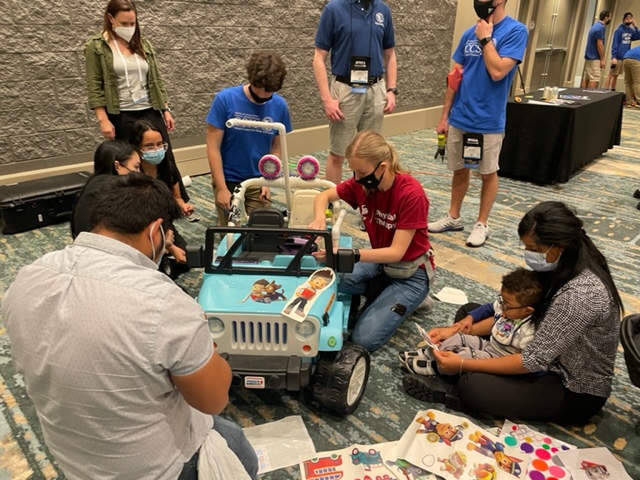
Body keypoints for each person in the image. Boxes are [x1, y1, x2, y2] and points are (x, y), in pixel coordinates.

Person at [2, 174, 258, 479]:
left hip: (72, 457)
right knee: (236, 443)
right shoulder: (165, 303)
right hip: (152, 469)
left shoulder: (27, 276)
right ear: (154, 231)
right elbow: (213, 400)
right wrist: (211, 351)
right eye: (169, 234)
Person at [403, 201, 624, 424]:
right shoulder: (564, 263)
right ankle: (457, 369)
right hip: (533, 343)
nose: (528, 255)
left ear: (560, 245)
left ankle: (455, 384)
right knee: (469, 312)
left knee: (474, 386)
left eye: (534, 250)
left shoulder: (579, 294)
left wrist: (463, 364)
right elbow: (512, 314)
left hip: (567, 384)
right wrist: (454, 331)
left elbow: (533, 361)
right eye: (526, 247)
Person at [308, 130, 434, 352]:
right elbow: (323, 195)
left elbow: (396, 252)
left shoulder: (411, 194)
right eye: (354, 171)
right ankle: (382, 291)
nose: (356, 178)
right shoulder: (364, 184)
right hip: (381, 263)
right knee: (329, 278)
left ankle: (415, 298)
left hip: (410, 273)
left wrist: (349, 254)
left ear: (383, 167)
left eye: (361, 172)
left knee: (363, 340)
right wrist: (319, 218)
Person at [428, 0, 528, 248]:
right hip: (461, 116)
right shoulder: (467, 34)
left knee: (487, 173)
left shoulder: (516, 31)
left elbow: (497, 72)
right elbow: (455, 78)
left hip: (489, 119)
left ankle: (482, 223)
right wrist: (444, 117)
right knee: (460, 169)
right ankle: (453, 217)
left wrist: (486, 40)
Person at [84, 0, 190, 203]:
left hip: (150, 109)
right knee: (131, 161)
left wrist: (165, 109)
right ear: (111, 19)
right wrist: (102, 119)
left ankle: (174, 201)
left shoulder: (143, 43)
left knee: (164, 157)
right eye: (124, 23)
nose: (129, 28)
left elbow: (156, 79)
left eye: (133, 23)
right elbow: (94, 84)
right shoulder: (96, 47)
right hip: (121, 113)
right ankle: (138, 203)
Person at [313, 0, 397, 186]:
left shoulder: (383, 10)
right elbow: (319, 57)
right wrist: (327, 99)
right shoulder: (333, 9)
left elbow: (389, 54)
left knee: (373, 154)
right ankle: (332, 206)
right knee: (338, 153)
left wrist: (391, 90)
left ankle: (370, 204)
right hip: (345, 90)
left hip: (376, 90)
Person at [398, 267, 543, 376]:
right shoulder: (508, 306)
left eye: (507, 305)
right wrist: (469, 318)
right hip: (489, 345)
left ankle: (435, 368)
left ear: (527, 310)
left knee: (465, 354)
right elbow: (488, 308)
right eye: (502, 301)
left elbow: (528, 363)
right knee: (456, 337)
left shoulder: (529, 332)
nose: (502, 307)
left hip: (498, 358)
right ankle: (429, 353)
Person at [206, 50, 291, 226]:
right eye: (258, 93)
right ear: (251, 80)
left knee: (262, 229)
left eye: (268, 94)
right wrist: (221, 188)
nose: (262, 98)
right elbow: (212, 148)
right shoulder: (225, 99)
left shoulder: (280, 105)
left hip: (258, 177)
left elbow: (276, 149)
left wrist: (267, 179)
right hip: (227, 177)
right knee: (231, 233)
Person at [129, 119, 190, 266]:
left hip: (164, 223)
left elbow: (177, 196)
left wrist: (182, 205)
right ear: (137, 148)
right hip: (142, 227)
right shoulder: (132, 174)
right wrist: (169, 246)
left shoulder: (167, 167)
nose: (156, 150)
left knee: (185, 261)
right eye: (149, 146)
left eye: (159, 144)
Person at [71, 139, 141, 238]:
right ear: (117, 166)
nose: (139, 173)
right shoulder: (113, 190)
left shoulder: (95, 182)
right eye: (136, 167)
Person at [605, 12, 640, 92]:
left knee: (616, 75)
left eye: (630, 18)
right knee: (611, 74)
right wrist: (614, 56)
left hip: (624, 56)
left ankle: (612, 90)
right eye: (627, 18)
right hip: (617, 56)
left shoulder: (630, 30)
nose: (629, 20)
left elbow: (638, 36)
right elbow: (615, 43)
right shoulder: (619, 30)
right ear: (624, 20)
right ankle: (605, 90)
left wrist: (635, 27)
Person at [581, 10, 612, 89]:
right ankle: (591, 96)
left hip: (588, 56)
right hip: (595, 57)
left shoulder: (594, 26)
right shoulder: (601, 28)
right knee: (594, 77)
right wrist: (602, 59)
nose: (610, 19)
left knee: (587, 76)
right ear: (606, 18)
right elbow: (599, 44)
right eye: (609, 17)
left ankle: (582, 94)